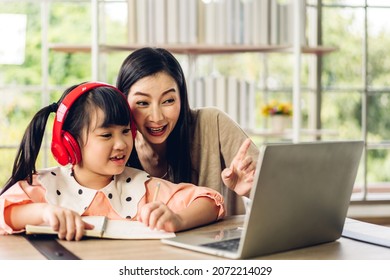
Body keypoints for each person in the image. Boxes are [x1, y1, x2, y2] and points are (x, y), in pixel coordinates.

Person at [0, 82, 225, 241]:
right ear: (70, 142)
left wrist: (177, 219)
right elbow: (4, 211)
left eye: (126, 131)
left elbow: (211, 202)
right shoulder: (45, 187)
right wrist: (44, 212)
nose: (121, 144)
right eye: (106, 135)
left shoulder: (142, 188)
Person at [116, 47, 259, 215]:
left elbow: (280, 191)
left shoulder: (212, 123)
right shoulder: (115, 146)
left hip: (216, 240)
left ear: (182, 98)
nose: (157, 117)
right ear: (124, 101)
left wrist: (251, 189)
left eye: (168, 100)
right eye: (143, 103)